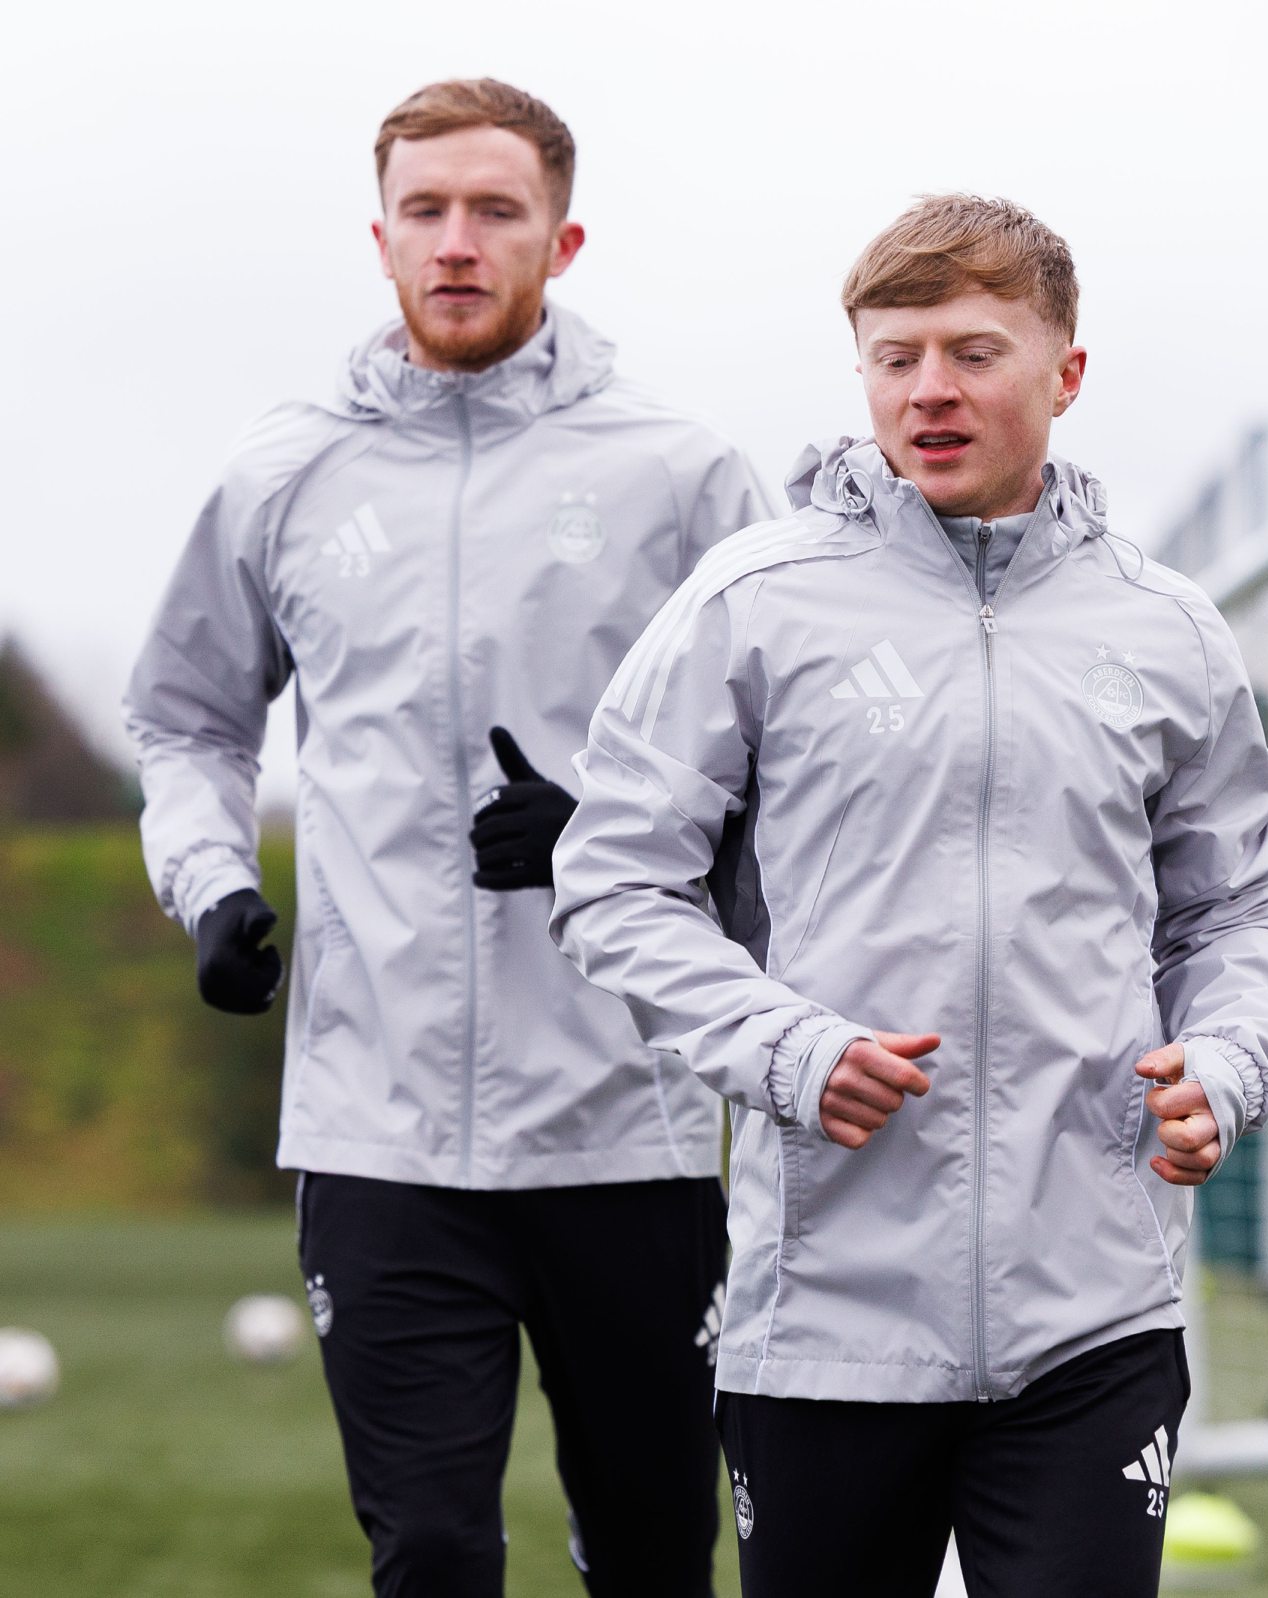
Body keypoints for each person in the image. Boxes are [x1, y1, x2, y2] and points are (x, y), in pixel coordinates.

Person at [550, 193, 1268, 1598]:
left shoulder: (1171, 630)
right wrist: (785, 1049)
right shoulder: (754, 601)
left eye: (971, 351)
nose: (929, 391)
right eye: (895, 357)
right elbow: (612, 881)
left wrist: (1231, 1058)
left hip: (1097, 1312)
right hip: (827, 1317)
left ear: (1064, 371)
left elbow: (1232, 914)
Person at [125, 77, 770, 1598]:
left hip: (633, 1121)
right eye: (427, 210)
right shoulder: (284, 472)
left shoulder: (680, 476)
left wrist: (611, 831)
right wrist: (213, 882)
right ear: (382, 235)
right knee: (426, 1552)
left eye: (496, 210)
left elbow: (781, 775)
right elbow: (185, 718)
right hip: (379, 1122)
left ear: (564, 235)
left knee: (657, 1555)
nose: (459, 241)